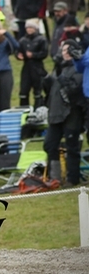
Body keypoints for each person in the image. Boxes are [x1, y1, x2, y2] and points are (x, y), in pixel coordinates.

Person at [58, 40, 88, 186]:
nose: (65, 54)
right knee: (72, 143)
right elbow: (82, 68)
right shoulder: (62, 67)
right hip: (80, 104)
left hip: (81, 103)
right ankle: (72, 178)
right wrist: (78, 59)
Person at [16, 20, 47, 108]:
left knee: (38, 91)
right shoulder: (22, 40)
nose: (29, 29)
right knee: (23, 91)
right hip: (26, 67)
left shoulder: (41, 39)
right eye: (27, 28)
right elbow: (18, 51)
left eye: (31, 27)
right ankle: (23, 109)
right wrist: (19, 55)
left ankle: (38, 108)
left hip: (37, 67)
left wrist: (33, 55)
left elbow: (44, 53)